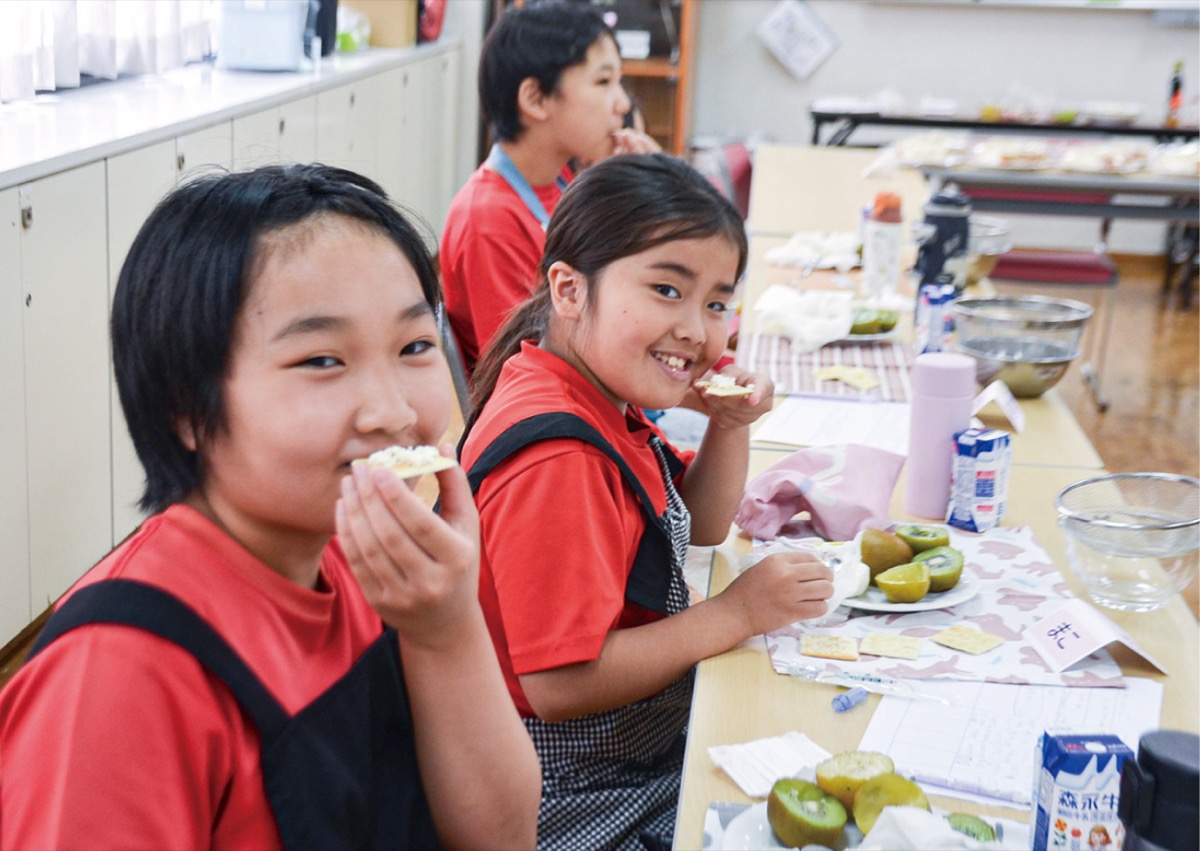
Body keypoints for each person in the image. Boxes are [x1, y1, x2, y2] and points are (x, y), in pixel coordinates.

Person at [0, 164, 540, 850]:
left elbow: (503, 836)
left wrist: (447, 622)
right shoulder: (117, 672)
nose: (394, 411)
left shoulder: (365, 562)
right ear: (185, 407)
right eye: (321, 360)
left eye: (413, 346)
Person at [461, 154, 834, 851]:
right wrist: (736, 613)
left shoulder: (597, 392)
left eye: (718, 302)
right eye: (667, 288)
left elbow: (705, 523)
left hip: (622, 747)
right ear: (569, 291)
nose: (698, 328)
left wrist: (727, 425)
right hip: (563, 786)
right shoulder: (559, 455)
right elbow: (559, 683)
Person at [440, 0, 659, 375]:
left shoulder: (563, 182)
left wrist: (625, 193)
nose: (622, 103)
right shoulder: (488, 219)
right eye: (603, 81)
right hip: (552, 405)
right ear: (536, 99)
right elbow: (525, 364)